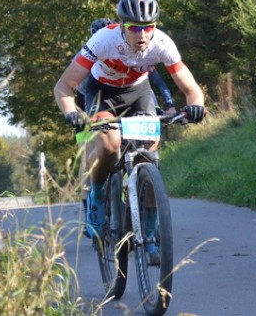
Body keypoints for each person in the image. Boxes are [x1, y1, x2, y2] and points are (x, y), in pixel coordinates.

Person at [54, 0, 207, 259]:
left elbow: (191, 88)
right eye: (135, 28)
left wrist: (195, 106)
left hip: (139, 94)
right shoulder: (103, 40)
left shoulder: (162, 43)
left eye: (148, 27)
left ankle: (149, 234)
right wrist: (71, 112)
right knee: (109, 145)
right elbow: (64, 86)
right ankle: (98, 198)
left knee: (149, 153)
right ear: (122, 25)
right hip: (103, 94)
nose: (142, 34)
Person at [75, 17, 179, 237]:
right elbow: (79, 96)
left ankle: (140, 190)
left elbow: (156, 83)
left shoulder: (137, 55)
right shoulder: (92, 60)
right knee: (90, 154)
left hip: (134, 101)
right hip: (94, 107)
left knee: (147, 150)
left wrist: (168, 105)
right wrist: (81, 121)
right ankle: (91, 198)